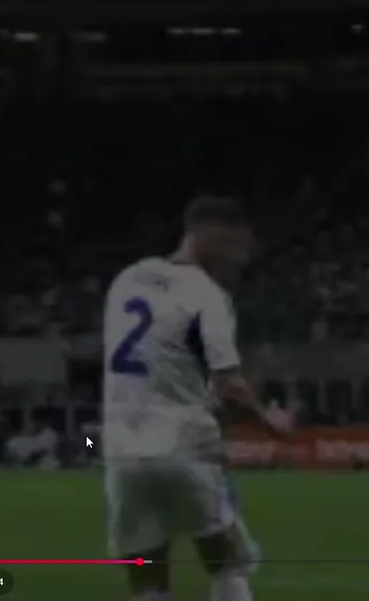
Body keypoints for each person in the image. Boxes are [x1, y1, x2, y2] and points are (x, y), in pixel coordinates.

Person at [102, 196, 289, 601]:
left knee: (147, 571)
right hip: (181, 442)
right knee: (226, 559)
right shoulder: (206, 293)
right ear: (205, 234)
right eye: (234, 246)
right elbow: (229, 384)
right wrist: (270, 420)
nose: (240, 259)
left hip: (121, 449)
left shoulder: (129, 278)